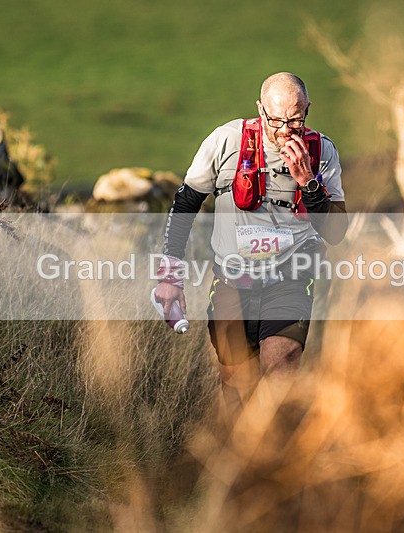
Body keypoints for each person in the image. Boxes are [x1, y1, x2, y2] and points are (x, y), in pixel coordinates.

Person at [154, 72, 348, 413]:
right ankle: (235, 460)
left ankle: (275, 461)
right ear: (260, 109)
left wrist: (308, 181)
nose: (286, 129)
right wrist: (170, 277)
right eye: (275, 119)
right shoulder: (225, 141)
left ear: (308, 109)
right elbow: (185, 204)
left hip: (290, 280)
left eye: (296, 118)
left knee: (279, 377)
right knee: (237, 385)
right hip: (232, 281)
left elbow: (335, 231)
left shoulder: (321, 151)